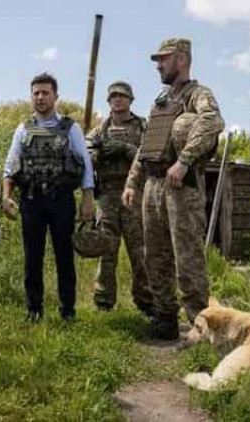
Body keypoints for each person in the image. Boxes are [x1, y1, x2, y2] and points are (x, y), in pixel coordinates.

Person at [122, 38, 225, 340]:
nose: (158, 65)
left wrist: (184, 160)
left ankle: (201, 325)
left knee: (188, 256)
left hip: (182, 186)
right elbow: (147, 144)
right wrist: (132, 182)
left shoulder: (198, 94)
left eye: (163, 59)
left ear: (181, 59)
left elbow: (213, 122)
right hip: (153, 186)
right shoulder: (161, 100)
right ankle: (165, 318)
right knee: (155, 255)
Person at [2, 72, 95, 322]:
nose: (40, 97)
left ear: (55, 96)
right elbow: (10, 165)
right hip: (31, 200)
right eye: (36, 93)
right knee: (33, 257)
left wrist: (88, 199)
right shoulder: (23, 128)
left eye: (45, 93)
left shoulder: (70, 128)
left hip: (61, 199)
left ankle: (67, 311)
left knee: (65, 256)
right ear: (31, 97)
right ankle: (34, 310)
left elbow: (85, 164)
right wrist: (6, 196)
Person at [86, 81, 153, 316]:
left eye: (122, 96)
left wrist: (126, 149)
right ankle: (103, 301)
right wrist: (99, 154)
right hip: (107, 196)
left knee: (140, 252)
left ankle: (146, 302)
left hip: (134, 194)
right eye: (113, 96)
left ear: (130, 99)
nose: (117, 100)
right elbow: (85, 160)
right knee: (107, 251)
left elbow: (151, 156)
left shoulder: (144, 126)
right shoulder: (98, 130)